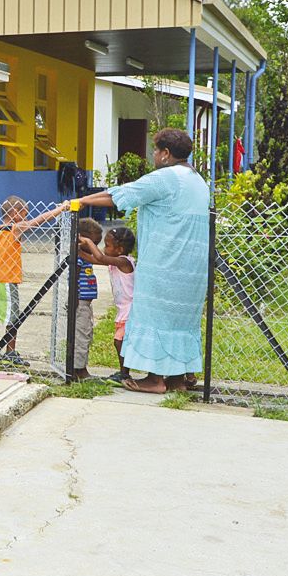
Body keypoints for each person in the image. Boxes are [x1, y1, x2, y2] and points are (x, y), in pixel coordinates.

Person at [44, 128, 209, 393]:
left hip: (164, 265)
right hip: (191, 270)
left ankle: (155, 379)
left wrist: (77, 201)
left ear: (166, 154)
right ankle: (176, 380)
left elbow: (118, 195)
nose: (154, 155)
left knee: (154, 318)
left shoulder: (165, 178)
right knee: (180, 323)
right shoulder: (197, 180)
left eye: (156, 150)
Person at [0, 196, 57, 363]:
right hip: (5, 280)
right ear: (15, 213)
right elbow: (39, 220)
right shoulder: (15, 228)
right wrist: (60, 209)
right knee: (13, 317)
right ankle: (10, 353)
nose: (26, 218)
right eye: (24, 213)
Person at [95, 224, 137, 380]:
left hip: (131, 309)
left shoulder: (124, 262)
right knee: (121, 340)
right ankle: (124, 372)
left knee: (119, 340)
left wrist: (87, 243)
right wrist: (78, 252)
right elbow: (96, 259)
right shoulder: (115, 261)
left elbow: (99, 258)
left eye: (107, 246)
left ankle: (125, 373)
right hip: (123, 309)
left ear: (119, 250)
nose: (104, 248)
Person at [65, 217, 103, 380]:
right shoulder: (79, 257)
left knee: (85, 334)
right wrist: (73, 302)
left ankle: (79, 367)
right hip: (79, 302)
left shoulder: (84, 256)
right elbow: (73, 280)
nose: (95, 247)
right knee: (81, 335)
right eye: (93, 243)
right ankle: (79, 370)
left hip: (84, 303)